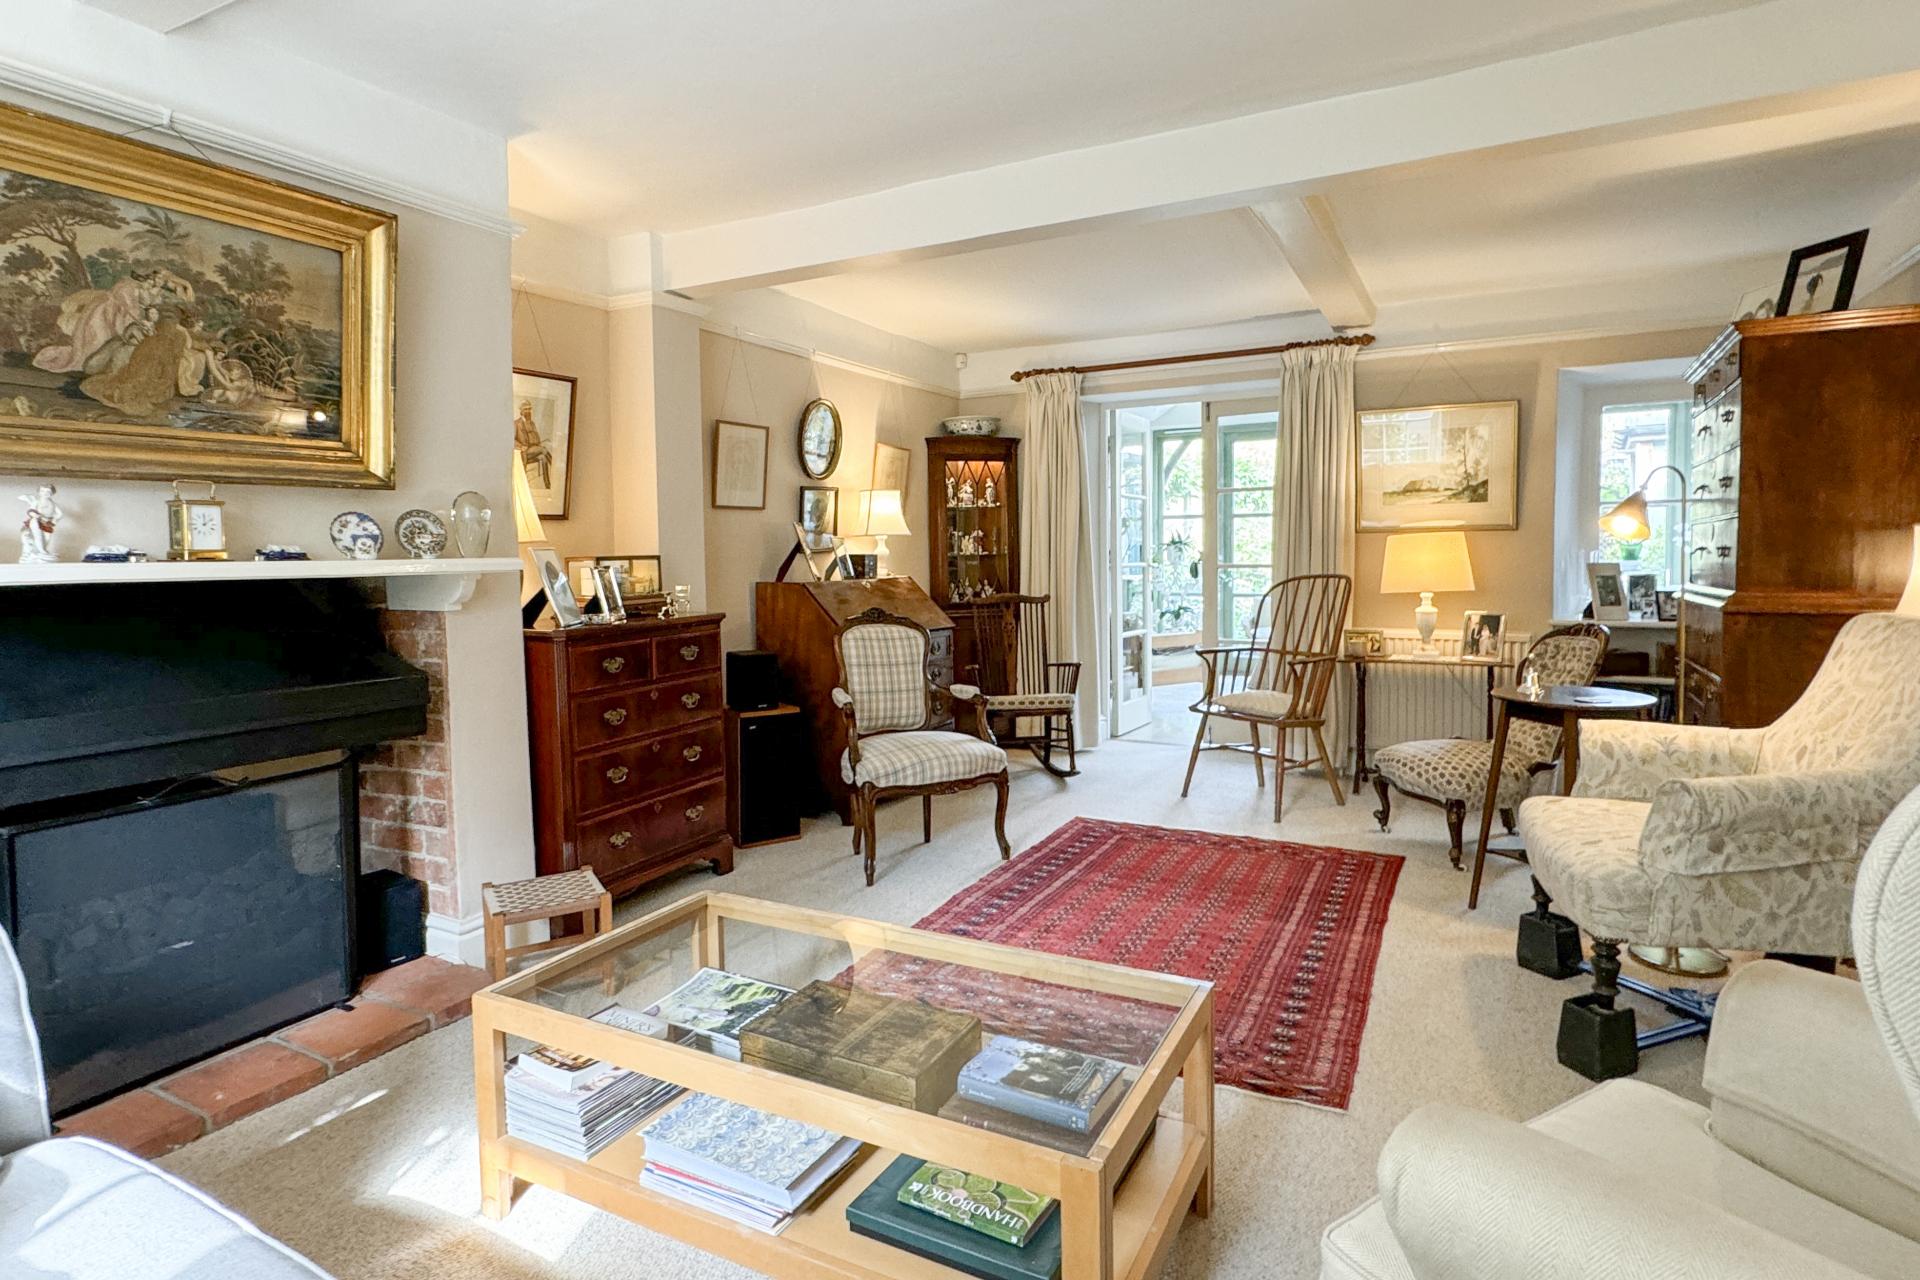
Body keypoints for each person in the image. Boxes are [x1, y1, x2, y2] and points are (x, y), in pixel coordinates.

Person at [515, 400, 552, 488]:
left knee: (543, 458)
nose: (528, 411)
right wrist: (521, 446)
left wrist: (537, 442)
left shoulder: (532, 423)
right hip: (524, 451)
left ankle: (547, 484)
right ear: (521, 411)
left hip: (534, 449)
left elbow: (536, 437)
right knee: (544, 450)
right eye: (526, 409)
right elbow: (511, 440)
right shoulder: (516, 423)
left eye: (529, 409)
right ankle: (555, 468)